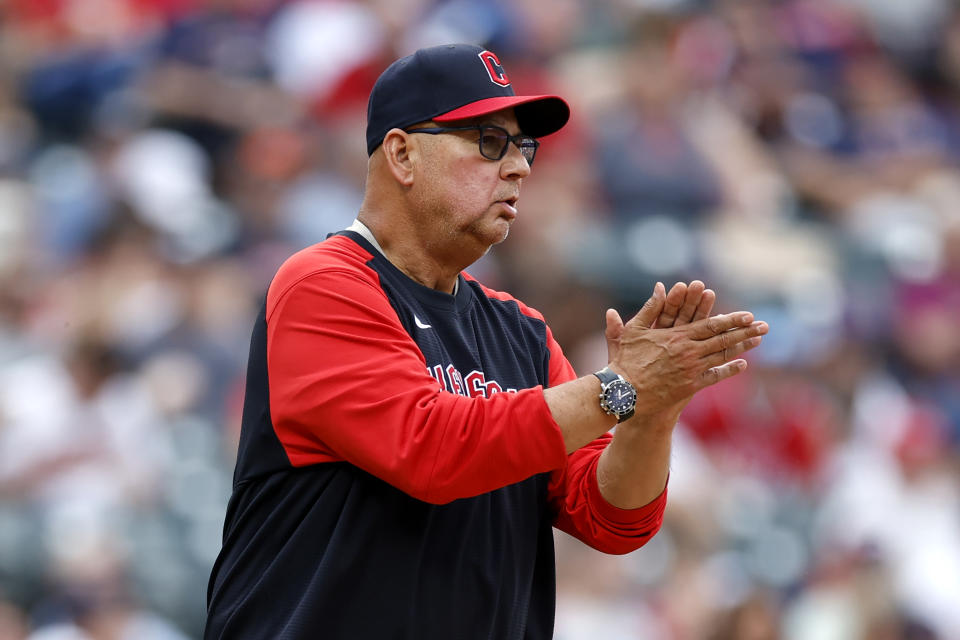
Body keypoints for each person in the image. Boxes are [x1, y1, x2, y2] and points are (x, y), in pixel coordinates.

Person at [204, 43, 768, 639]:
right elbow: (432, 451)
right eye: (489, 143)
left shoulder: (519, 328)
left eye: (523, 147)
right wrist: (622, 388)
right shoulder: (323, 284)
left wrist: (650, 414)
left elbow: (612, 520)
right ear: (401, 154)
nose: (521, 167)